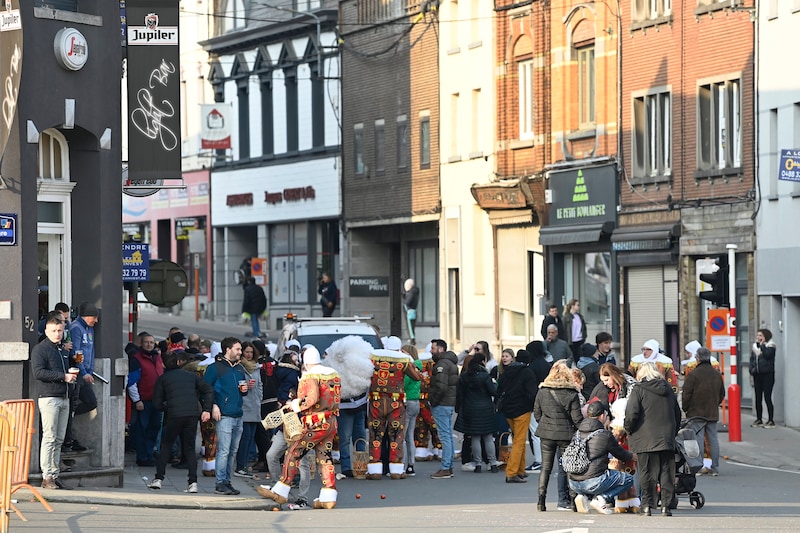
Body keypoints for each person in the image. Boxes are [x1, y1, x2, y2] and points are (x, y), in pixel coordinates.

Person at [257, 346, 341, 510]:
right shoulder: (333, 375)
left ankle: (281, 489)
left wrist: (295, 404)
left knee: (293, 453)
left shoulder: (310, 376)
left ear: (306, 362)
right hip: (330, 422)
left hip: (314, 423)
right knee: (325, 458)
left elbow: (311, 399)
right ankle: (328, 496)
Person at [147, 351, 214, 493]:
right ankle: (193, 482)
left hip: (174, 415)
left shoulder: (163, 379)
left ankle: (158, 479)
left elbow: (157, 403)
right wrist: (206, 409)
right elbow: (208, 389)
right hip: (191, 413)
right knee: (189, 448)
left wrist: (167, 405)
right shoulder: (191, 376)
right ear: (179, 363)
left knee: (166, 445)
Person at [624, 362, 682, 517]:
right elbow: (677, 413)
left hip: (644, 437)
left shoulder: (639, 389)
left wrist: (628, 429)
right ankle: (666, 506)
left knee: (646, 472)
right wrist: (673, 432)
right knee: (666, 472)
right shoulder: (668, 389)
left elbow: (632, 414)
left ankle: (647, 506)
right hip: (666, 436)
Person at [32, 311, 77, 490]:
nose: (57, 334)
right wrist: (63, 377)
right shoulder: (41, 349)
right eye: (54, 330)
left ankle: (55, 474)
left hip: (64, 397)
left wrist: (70, 377)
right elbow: (38, 372)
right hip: (49, 397)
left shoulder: (61, 349)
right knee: (50, 438)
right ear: (47, 331)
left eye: (60, 330)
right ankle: (47, 476)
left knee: (58, 439)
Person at [365, 344, 421, 479]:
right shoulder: (402, 361)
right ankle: (396, 469)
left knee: (375, 434)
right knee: (397, 435)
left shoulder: (372, 358)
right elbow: (416, 377)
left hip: (376, 402)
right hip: (396, 402)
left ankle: (374, 470)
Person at [533, 362, 583, 512]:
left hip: (546, 434)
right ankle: (573, 501)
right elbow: (577, 419)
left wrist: (545, 423)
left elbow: (537, 413)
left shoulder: (543, 391)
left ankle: (541, 501)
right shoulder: (571, 393)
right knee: (569, 467)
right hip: (566, 435)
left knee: (545, 468)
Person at [570, 402, 636, 515]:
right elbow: (621, 455)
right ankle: (601, 499)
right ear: (602, 416)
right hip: (593, 482)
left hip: (573, 482)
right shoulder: (604, 435)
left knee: (593, 473)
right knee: (628, 479)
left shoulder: (577, 433)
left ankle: (582, 496)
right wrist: (632, 456)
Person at [322, 335, 374, 479]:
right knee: (345, 437)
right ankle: (346, 467)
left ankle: (361, 465)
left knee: (360, 436)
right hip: (345, 407)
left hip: (359, 405)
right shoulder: (334, 368)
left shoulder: (357, 365)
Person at [204, 337, 249, 496]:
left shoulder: (239, 368)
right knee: (224, 450)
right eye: (237, 349)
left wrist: (245, 390)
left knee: (232, 451)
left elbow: (242, 390)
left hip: (237, 413)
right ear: (227, 349)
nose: (240, 352)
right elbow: (205, 389)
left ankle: (227, 481)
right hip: (224, 414)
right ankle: (220, 482)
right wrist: (213, 405)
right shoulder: (215, 368)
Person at [682, 347, 726, 476]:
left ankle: (699, 467)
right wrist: (715, 404)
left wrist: (686, 408)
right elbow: (722, 393)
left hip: (696, 413)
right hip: (712, 412)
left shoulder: (693, 375)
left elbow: (686, 394)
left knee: (698, 440)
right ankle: (715, 467)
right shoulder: (716, 374)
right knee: (713, 440)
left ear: (698, 359)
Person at [496, 349, 538, 483]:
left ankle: (520, 470)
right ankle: (512, 472)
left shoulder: (507, 371)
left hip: (508, 411)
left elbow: (499, 389)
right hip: (522, 410)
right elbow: (532, 393)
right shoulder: (527, 373)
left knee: (517, 439)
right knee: (519, 441)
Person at [454, 353, 500, 474]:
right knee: (488, 437)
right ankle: (493, 463)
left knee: (475, 437)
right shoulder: (485, 376)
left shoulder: (465, 376)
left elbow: (460, 394)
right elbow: (494, 392)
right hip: (485, 408)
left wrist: (458, 408)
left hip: (470, 408)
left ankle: (478, 464)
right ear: (483, 362)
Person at [127, 332, 165, 467]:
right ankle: (142, 457)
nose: (149, 345)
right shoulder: (136, 359)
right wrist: (137, 401)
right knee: (142, 429)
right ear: (141, 344)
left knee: (154, 428)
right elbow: (131, 382)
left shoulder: (157, 358)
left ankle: (149, 454)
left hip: (157, 401)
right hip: (143, 402)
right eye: (146, 342)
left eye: (151, 342)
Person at [67, 302, 100, 451]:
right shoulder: (76, 328)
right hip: (78, 373)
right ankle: (68, 429)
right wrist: (83, 371)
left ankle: (70, 414)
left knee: (91, 402)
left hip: (86, 373)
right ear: (87, 316)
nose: (96, 321)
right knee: (77, 401)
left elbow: (91, 351)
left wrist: (90, 370)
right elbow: (77, 352)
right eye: (95, 318)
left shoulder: (90, 329)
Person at [429, 340, 458, 479]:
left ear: (440, 349)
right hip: (448, 402)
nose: (431, 351)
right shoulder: (451, 362)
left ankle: (446, 467)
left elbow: (441, 386)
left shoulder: (442, 364)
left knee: (445, 436)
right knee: (448, 436)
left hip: (441, 403)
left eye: (433, 348)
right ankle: (448, 465)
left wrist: (433, 400)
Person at [233, 341, 263, 478]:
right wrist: (245, 386)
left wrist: (259, 398)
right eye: (247, 352)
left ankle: (244, 465)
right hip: (245, 406)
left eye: (251, 352)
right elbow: (236, 384)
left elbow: (260, 385)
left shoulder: (256, 367)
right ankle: (240, 466)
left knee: (251, 437)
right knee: (244, 438)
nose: (249, 355)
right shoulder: (239, 367)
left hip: (255, 406)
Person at [402, 344, 423, 476]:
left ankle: (401, 464)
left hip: (407, 401)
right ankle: (411, 464)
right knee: (410, 436)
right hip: (416, 402)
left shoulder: (410, 369)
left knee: (402, 436)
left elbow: (403, 384)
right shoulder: (419, 367)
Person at [749, 328, 777, 428]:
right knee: (758, 397)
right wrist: (751, 369)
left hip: (767, 374)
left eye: (761, 336)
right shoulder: (755, 347)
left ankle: (771, 420)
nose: (758, 337)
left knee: (767, 397)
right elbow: (752, 359)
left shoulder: (771, 346)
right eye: (758, 336)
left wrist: (762, 345)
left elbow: (768, 355)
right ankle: (759, 419)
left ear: (766, 337)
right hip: (758, 374)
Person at [401, 278, 420, 345]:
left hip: (409, 312)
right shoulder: (415, 292)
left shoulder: (411, 293)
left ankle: (412, 340)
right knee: (412, 327)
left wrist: (404, 300)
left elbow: (407, 302)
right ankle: (412, 339)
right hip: (413, 311)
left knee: (409, 327)